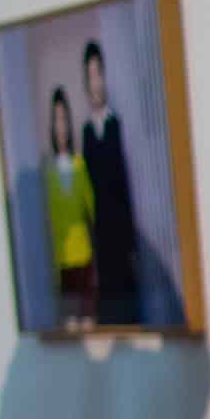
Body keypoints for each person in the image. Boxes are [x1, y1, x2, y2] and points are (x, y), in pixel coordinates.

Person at [77, 40, 139, 323]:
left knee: (129, 305)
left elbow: (125, 182)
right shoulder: (87, 132)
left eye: (99, 74)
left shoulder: (116, 123)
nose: (96, 83)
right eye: (90, 76)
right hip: (101, 235)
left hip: (121, 233)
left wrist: (131, 241)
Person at [43, 89, 96, 326]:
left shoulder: (79, 164)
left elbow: (92, 208)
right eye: (56, 119)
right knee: (69, 326)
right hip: (62, 263)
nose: (61, 127)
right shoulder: (48, 171)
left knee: (88, 324)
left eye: (64, 119)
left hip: (83, 258)